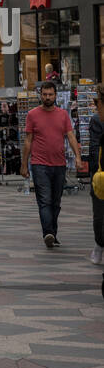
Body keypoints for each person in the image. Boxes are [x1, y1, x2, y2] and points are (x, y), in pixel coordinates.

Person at [20, 80, 84, 248]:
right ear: (40, 95)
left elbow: (70, 136)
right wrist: (24, 165)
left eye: (50, 95)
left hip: (59, 164)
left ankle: (52, 233)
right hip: (39, 164)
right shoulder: (32, 115)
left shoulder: (63, 115)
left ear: (55, 96)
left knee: (56, 202)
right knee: (45, 200)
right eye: (45, 94)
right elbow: (28, 141)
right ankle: (48, 232)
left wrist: (78, 157)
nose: (47, 97)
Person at [88, 84, 104, 266]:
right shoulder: (97, 120)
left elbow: (93, 148)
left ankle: (99, 246)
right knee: (99, 213)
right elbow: (94, 148)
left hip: (101, 174)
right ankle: (99, 245)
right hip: (101, 173)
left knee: (99, 213)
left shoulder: (96, 119)